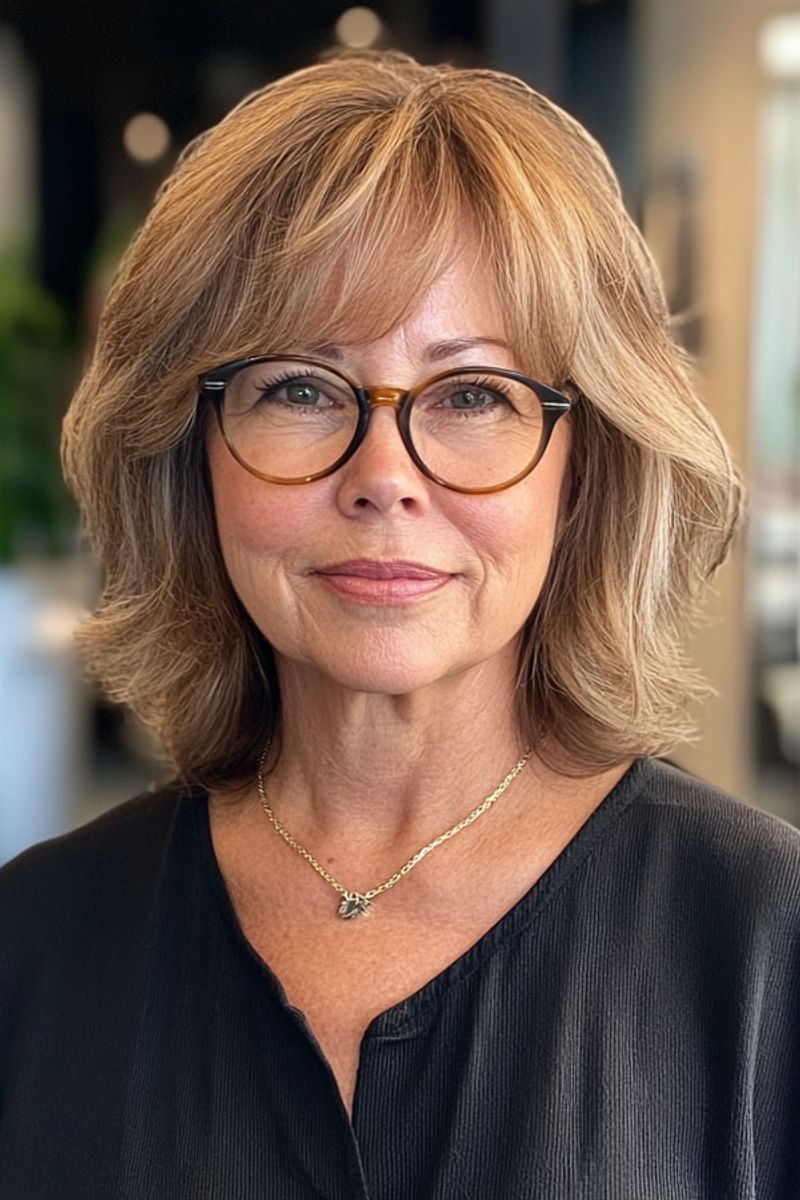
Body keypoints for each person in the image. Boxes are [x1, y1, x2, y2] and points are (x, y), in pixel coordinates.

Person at [1, 49, 798, 1200]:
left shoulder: (762, 939)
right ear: (190, 455)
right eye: (298, 388)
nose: (384, 479)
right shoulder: (35, 943)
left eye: (472, 394)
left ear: (583, 469)